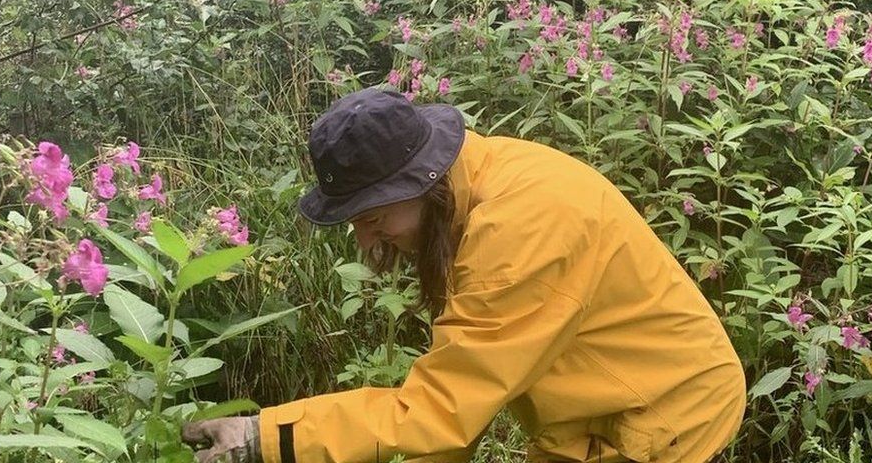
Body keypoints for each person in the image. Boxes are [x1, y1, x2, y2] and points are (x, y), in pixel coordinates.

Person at [182, 88, 746, 463]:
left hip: (663, 414)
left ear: (421, 183)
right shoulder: (468, 190)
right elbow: (464, 394)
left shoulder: (520, 229)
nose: (366, 240)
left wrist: (267, 438)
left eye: (374, 218)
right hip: (587, 412)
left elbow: (443, 408)